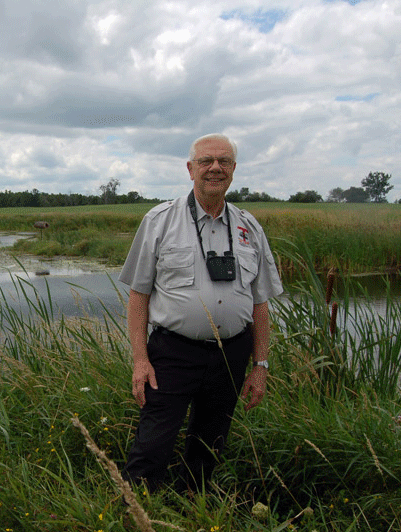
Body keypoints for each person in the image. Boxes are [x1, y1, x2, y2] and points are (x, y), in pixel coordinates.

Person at [119, 133, 283, 493]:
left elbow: (260, 304)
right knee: (153, 443)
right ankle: (134, 509)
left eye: (224, 161)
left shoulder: (249, 227)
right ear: (190, 169)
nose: (215, 168)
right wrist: (140, 360)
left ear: (234, 169)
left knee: (210, 444)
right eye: (206, 161)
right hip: (173, 353)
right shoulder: (160, 221)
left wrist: (260, 366)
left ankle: (193, 505)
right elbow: (138, 295)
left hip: (231, 354)